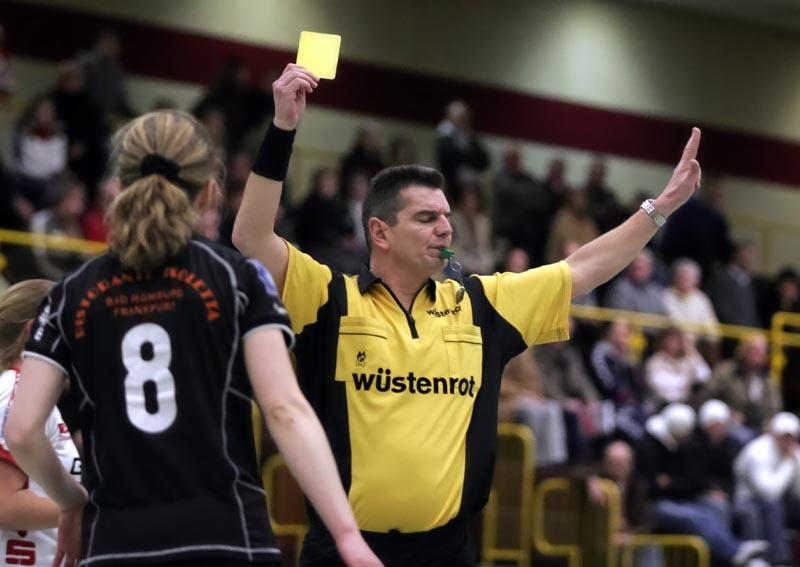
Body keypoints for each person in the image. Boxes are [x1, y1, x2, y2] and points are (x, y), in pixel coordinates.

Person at [233, 63, 704, 567]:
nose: (445, 229)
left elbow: (585, 267)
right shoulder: (329, 297)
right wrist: (282, 129)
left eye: (447, 218)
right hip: (344, 550)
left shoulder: (482, 306)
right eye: (426, 217)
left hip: (449, 550)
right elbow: (251, 239)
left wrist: (661, 207)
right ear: (380, 232)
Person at [4, 109, 380, 567]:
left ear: (117, 187)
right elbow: (285, 409)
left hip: (117, 544)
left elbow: (22, 430)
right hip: (226, 538)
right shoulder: (236, 277)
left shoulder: (72, 292)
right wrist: (346, 533)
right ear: (209, 192)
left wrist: (71, 500)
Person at [0, 279, 81, 567]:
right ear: (36, 330)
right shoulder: (16, 393)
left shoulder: (20, 394)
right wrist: (91, 511)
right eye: (73, 327)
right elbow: (5, 504)